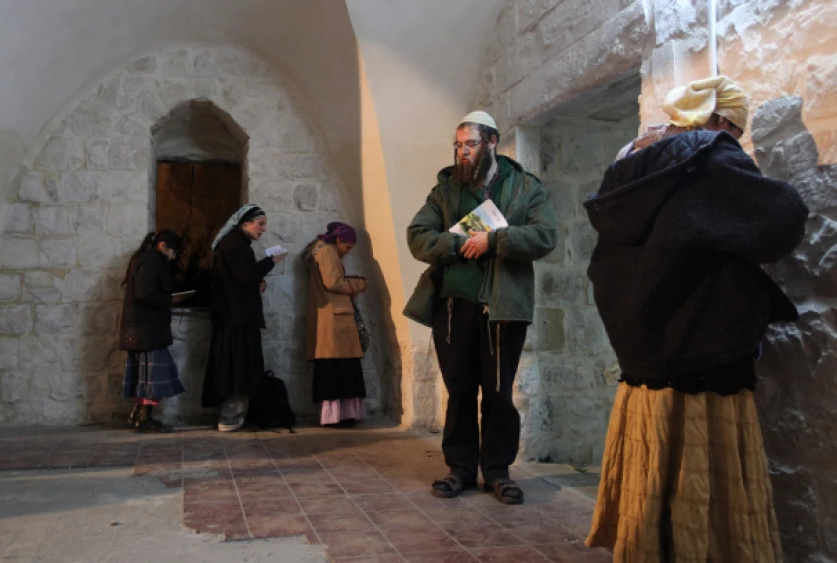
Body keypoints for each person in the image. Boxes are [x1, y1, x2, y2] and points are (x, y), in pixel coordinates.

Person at [584, 76, 808, 562]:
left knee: (652, 479)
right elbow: (781, 221)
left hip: (641, 348)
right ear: (723, 121)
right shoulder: (707, 157)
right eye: (737, 132)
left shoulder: (631, 161)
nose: (737, 142)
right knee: (701, 484)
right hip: (701, 350)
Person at [404, 110, 558, 503]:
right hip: (454, 308)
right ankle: (460, 469)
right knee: (459, 391)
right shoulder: (445, 191)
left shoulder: (525, 187)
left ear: (491, 142)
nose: (462, 153)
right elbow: (418, 236)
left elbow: (545, 235)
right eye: (457, 146)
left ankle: (497, 472)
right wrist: (457, 245)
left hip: (503, 307)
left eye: (469, 144)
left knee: (498, 392)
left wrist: (495, 241)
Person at [202, 204, 286, 432]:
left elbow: (240, 280)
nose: (263, 229)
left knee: (234, 368)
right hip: (238, 320)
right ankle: (230, 417)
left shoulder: (233, 244)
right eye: (260, 224)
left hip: (233, 318)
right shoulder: (236, 244)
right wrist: (271, 261)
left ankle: (230, 416)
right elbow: (245, 275)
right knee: (239, 370)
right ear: (245, 223)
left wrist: (255, 284)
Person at [119, 229, 189, 433]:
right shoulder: (151, 262)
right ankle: (144, 419)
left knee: (147, 376)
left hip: (144, 329)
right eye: (174, 251)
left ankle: (138, 415)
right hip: (146, 330)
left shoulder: (147, 260)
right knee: (153, 377)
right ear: (163, 246)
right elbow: (144, 294)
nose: (174, 255)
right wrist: (170, 300)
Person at [302, 222, 368, 427]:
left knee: (333, 367)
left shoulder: (318, 250)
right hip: (336, 315)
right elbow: (333, 283)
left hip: (327, 315)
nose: (347, 253)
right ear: (339, 240)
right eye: (347, 247)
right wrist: (358, 284)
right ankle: (342, 416)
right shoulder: (328, 251)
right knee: (343, 367)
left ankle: (336, 416)